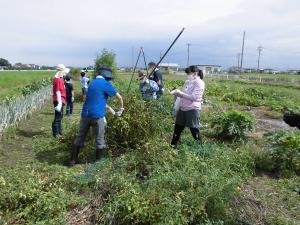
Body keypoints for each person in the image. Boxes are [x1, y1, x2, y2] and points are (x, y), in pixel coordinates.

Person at [70, 65, 124, 166]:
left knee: (80, 136)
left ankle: (73, 160)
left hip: (85, 114)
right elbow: (119, 98)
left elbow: (97, 101)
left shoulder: (91, 83)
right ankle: (97, 163)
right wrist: (120, 109)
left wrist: (111, 110)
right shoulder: (105, 84)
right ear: (107, 76)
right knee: (100, 138)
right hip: (97, 116)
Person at [170, 65, 205, 148]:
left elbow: (194, 97)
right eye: (187, 73)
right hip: (183, 108)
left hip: (192, 109)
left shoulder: (199, 83)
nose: (187, 75)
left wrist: (181, 93)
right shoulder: (187, 82)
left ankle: (201, 147)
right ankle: (173, 146)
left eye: (189, 73)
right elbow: (183, 94)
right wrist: (176, 93)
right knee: (177, 128)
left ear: (195, 73)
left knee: (194, 129)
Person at [52, 64, 68, 137]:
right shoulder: (58, 79)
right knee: (58, 117)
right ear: (60, 71)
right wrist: (59, 103)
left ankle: (59, 132)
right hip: (59, 100)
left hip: (61, 100)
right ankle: (56, 133)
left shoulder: (61, 78)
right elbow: (58, 91)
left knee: (60, 116)